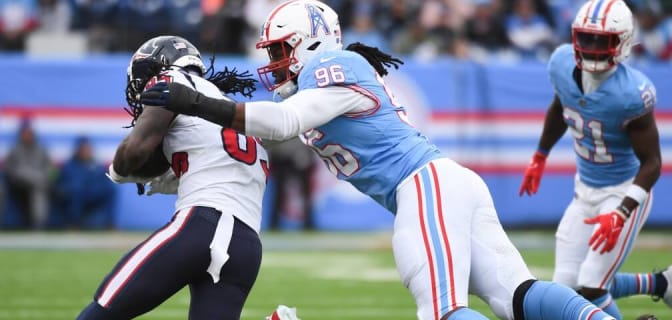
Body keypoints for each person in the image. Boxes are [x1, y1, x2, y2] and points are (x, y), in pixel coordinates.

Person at [138, 1, 626, 319]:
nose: (275, 62)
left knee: (441, 311)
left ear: (311, 41)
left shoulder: (336, 66)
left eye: (282, 50)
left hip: (422, 186)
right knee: (517, 297)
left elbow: (282, 122)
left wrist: (195, 101)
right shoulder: (324, 78)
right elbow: (265, 139)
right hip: (442, 184)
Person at [517, 0, 672, 319]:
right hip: (584, 190)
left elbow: (653, 163)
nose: (593, 47)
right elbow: (561, 107)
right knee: (564, 290)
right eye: (586, 38)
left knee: (592, 285)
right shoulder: (560, 64)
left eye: (602, 40)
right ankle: (662, 283)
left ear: (623, 42)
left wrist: (622, 211)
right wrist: (540, 155)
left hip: (622, 191)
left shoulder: (631, 93)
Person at [76, 35, 268, 320]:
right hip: (245, 246)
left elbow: (135, 153)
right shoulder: (225, 108)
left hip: (203, 225)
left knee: (102, 311)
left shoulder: (170, 82)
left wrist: (119, 170)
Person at [52, 135, 116, 229]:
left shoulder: (95, 164)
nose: (86, 151)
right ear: (78, 149)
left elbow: (102, 180)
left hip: (90, 194)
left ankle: (110, 223)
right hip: (74, 195)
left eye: (87, 148)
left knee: (111, 189)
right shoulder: (70, 165)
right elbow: (64, 183)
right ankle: (73, 223)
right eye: (83, 148)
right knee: (76, 190)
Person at [3, 119, 53, 230]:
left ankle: (38, 225)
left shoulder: (41, 150)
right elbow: (9, 169)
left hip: (39, 184)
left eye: (29, 133)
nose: (27, 136)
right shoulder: (14, 150)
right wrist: (29, 176)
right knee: (35, 181)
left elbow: (49, 169)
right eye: (25, 133)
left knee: (38, 188)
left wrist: (43, 178)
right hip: (18, 185)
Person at [267, 137, 315, 231]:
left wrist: (307, 156)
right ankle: (274, 224)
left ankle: (309, 224)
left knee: (305, 193)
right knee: (279, 193)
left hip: (300, 155)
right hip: (281, 156)